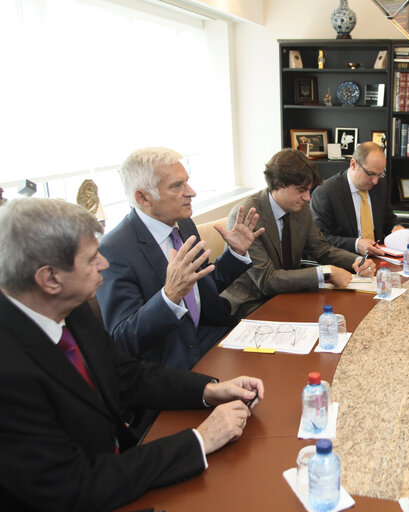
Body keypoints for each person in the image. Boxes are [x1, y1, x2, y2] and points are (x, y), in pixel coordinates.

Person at [0, 198, 265, 511]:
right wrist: (199, 440)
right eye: (90, 259)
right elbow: (71, 486)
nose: (103, 263)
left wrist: (209, 390)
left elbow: (127, 374)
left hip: (121, 469)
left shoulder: (70, 308)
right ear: (50, 279)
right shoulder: (9, 373)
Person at [97, 147, 263, 370]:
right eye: (177, 186)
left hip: (212, 338)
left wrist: (235, 254)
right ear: (143, 197)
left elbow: (204, 286)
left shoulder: (183, 224)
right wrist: (170, 295)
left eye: (187, 182)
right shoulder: (114, 250)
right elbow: (123, 340)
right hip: (171, 365)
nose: (192, 192)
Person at [221, 149, 376, 318]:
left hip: (289, 294)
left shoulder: (300, 210)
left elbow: (321, 250)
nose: (308, 198)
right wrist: (326, 272)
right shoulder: (247, 216)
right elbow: (267, 281)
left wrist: (357, 260)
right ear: (278, 183)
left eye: (309, 190)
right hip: (252, 302)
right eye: (301, 190)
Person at [310, 141, 402, 256]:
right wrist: (356, 244)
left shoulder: (380, 186)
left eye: (380, 174)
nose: (375, 181)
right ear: (353, 164)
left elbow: (388, 218)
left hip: (379, 258)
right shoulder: (326, 193)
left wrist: (396, 228)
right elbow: (320, 239)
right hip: (346, 261)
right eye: (370, 174)